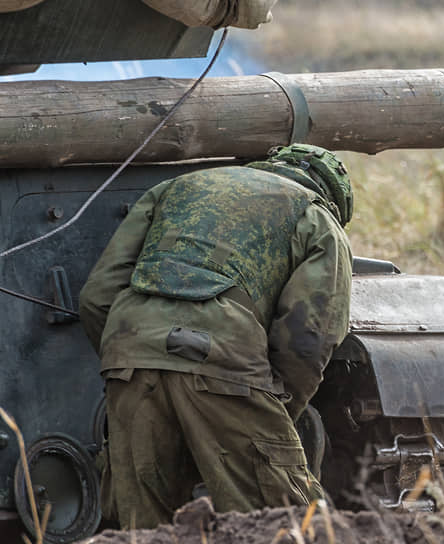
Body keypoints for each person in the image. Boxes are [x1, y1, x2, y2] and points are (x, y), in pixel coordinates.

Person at [78, 143, 354, 529]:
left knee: (142, 529)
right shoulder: (315, 215)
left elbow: (97, 296)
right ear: (334, 197)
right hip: (225, 363)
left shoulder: (176, 188)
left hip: (131, 357)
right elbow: (309, 336)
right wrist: (277, 405)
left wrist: (130, 356)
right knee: (280, 521)